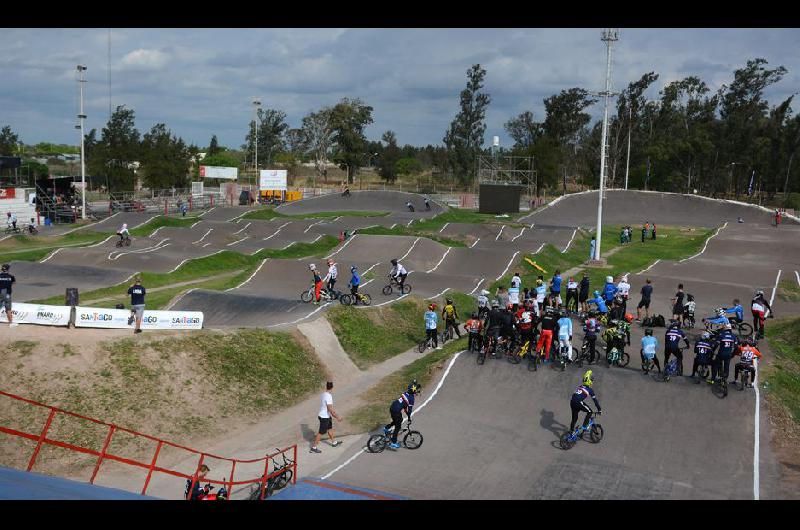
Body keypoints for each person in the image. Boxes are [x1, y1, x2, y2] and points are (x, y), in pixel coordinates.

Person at [384, 380, 421, 449]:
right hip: (396, 411)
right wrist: (409, 417)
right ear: (413, 391)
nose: (417, 391)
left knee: (399, 419)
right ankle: (393, 443)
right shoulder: (411, 398)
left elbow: (404, 406)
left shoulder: (406, 393)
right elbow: (409, 410)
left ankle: (386, 428)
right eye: (416, 390)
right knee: (398, 427)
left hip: (392, 407)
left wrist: (415, 383)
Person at [311, 381, 343, 453]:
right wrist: (337, 417)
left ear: (326, 386)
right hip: (324, 417)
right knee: (321, 432)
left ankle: (334, 442)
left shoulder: (323, 394)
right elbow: (330, 409)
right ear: (332, 387)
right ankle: (314, 447)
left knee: (330, 429)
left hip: (325, 416)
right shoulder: (328, 396)